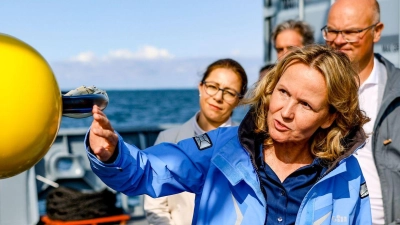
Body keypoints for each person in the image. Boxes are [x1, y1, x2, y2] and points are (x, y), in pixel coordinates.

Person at [86, 45, 372, 224]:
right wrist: (113, 153)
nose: (285, 111)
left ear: (330, 118)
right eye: (283, 93)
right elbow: (147, 172)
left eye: (306, 105)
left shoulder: (346, 174)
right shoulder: (222, 148)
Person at [144, 58, 248, 225]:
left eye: (229, 92)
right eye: (213, 87)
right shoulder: (168, 139)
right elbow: (155, 207)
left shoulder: (247, 146)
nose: (218, 97)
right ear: (201, 87)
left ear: (239, 100)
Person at [322, 0, 400, 224]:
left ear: (377, 32)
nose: (338, 40)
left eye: (351, 32)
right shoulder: (310, 90)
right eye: (332, 31)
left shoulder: (395, 91)